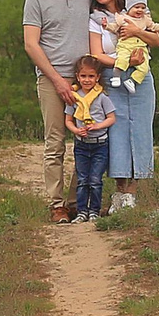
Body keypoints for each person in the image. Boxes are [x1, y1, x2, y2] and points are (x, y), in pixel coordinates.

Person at [21, 0, 92, 223]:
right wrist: (57, 81)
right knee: (55, 143)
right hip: (52, 80)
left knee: (86, 141)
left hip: (86, 80)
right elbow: (31, 44)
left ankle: (78, 201)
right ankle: (56, 204)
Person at [103, 0, 159, 213]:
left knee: (141, 129)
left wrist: (136, 32)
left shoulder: (139, 16)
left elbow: (156, 40)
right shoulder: (99, 18)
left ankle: (133, 191)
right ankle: (119, 191)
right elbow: (94, 52)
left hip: (140, 76)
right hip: (114, 76)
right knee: (116, 132)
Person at [64, 56, 117, 221]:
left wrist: (98, 126)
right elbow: (68, 120)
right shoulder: (74, 98)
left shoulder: (102, 97)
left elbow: (111, 118)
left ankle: (94, 210)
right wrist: (76, 131)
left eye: (91, 76)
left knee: (95, 180)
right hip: (81, 145)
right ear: (78, 77)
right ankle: (81, 211)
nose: (87, 80)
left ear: (98, 77)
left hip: (99, 144)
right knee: (82, 179)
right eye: (84, 76)